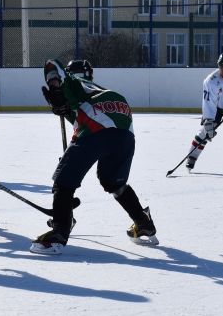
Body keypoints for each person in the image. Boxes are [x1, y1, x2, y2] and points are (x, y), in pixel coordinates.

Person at [32, 59, 158, 255]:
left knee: (64, 179)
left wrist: (55, 86)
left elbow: (51, 65)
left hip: (98, 120)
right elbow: (82, 123)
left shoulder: (71, 81)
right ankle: (143, 222)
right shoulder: (92, 87)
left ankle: (59, 233)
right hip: (124, 123)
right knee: (113, 181)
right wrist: (65, 109)